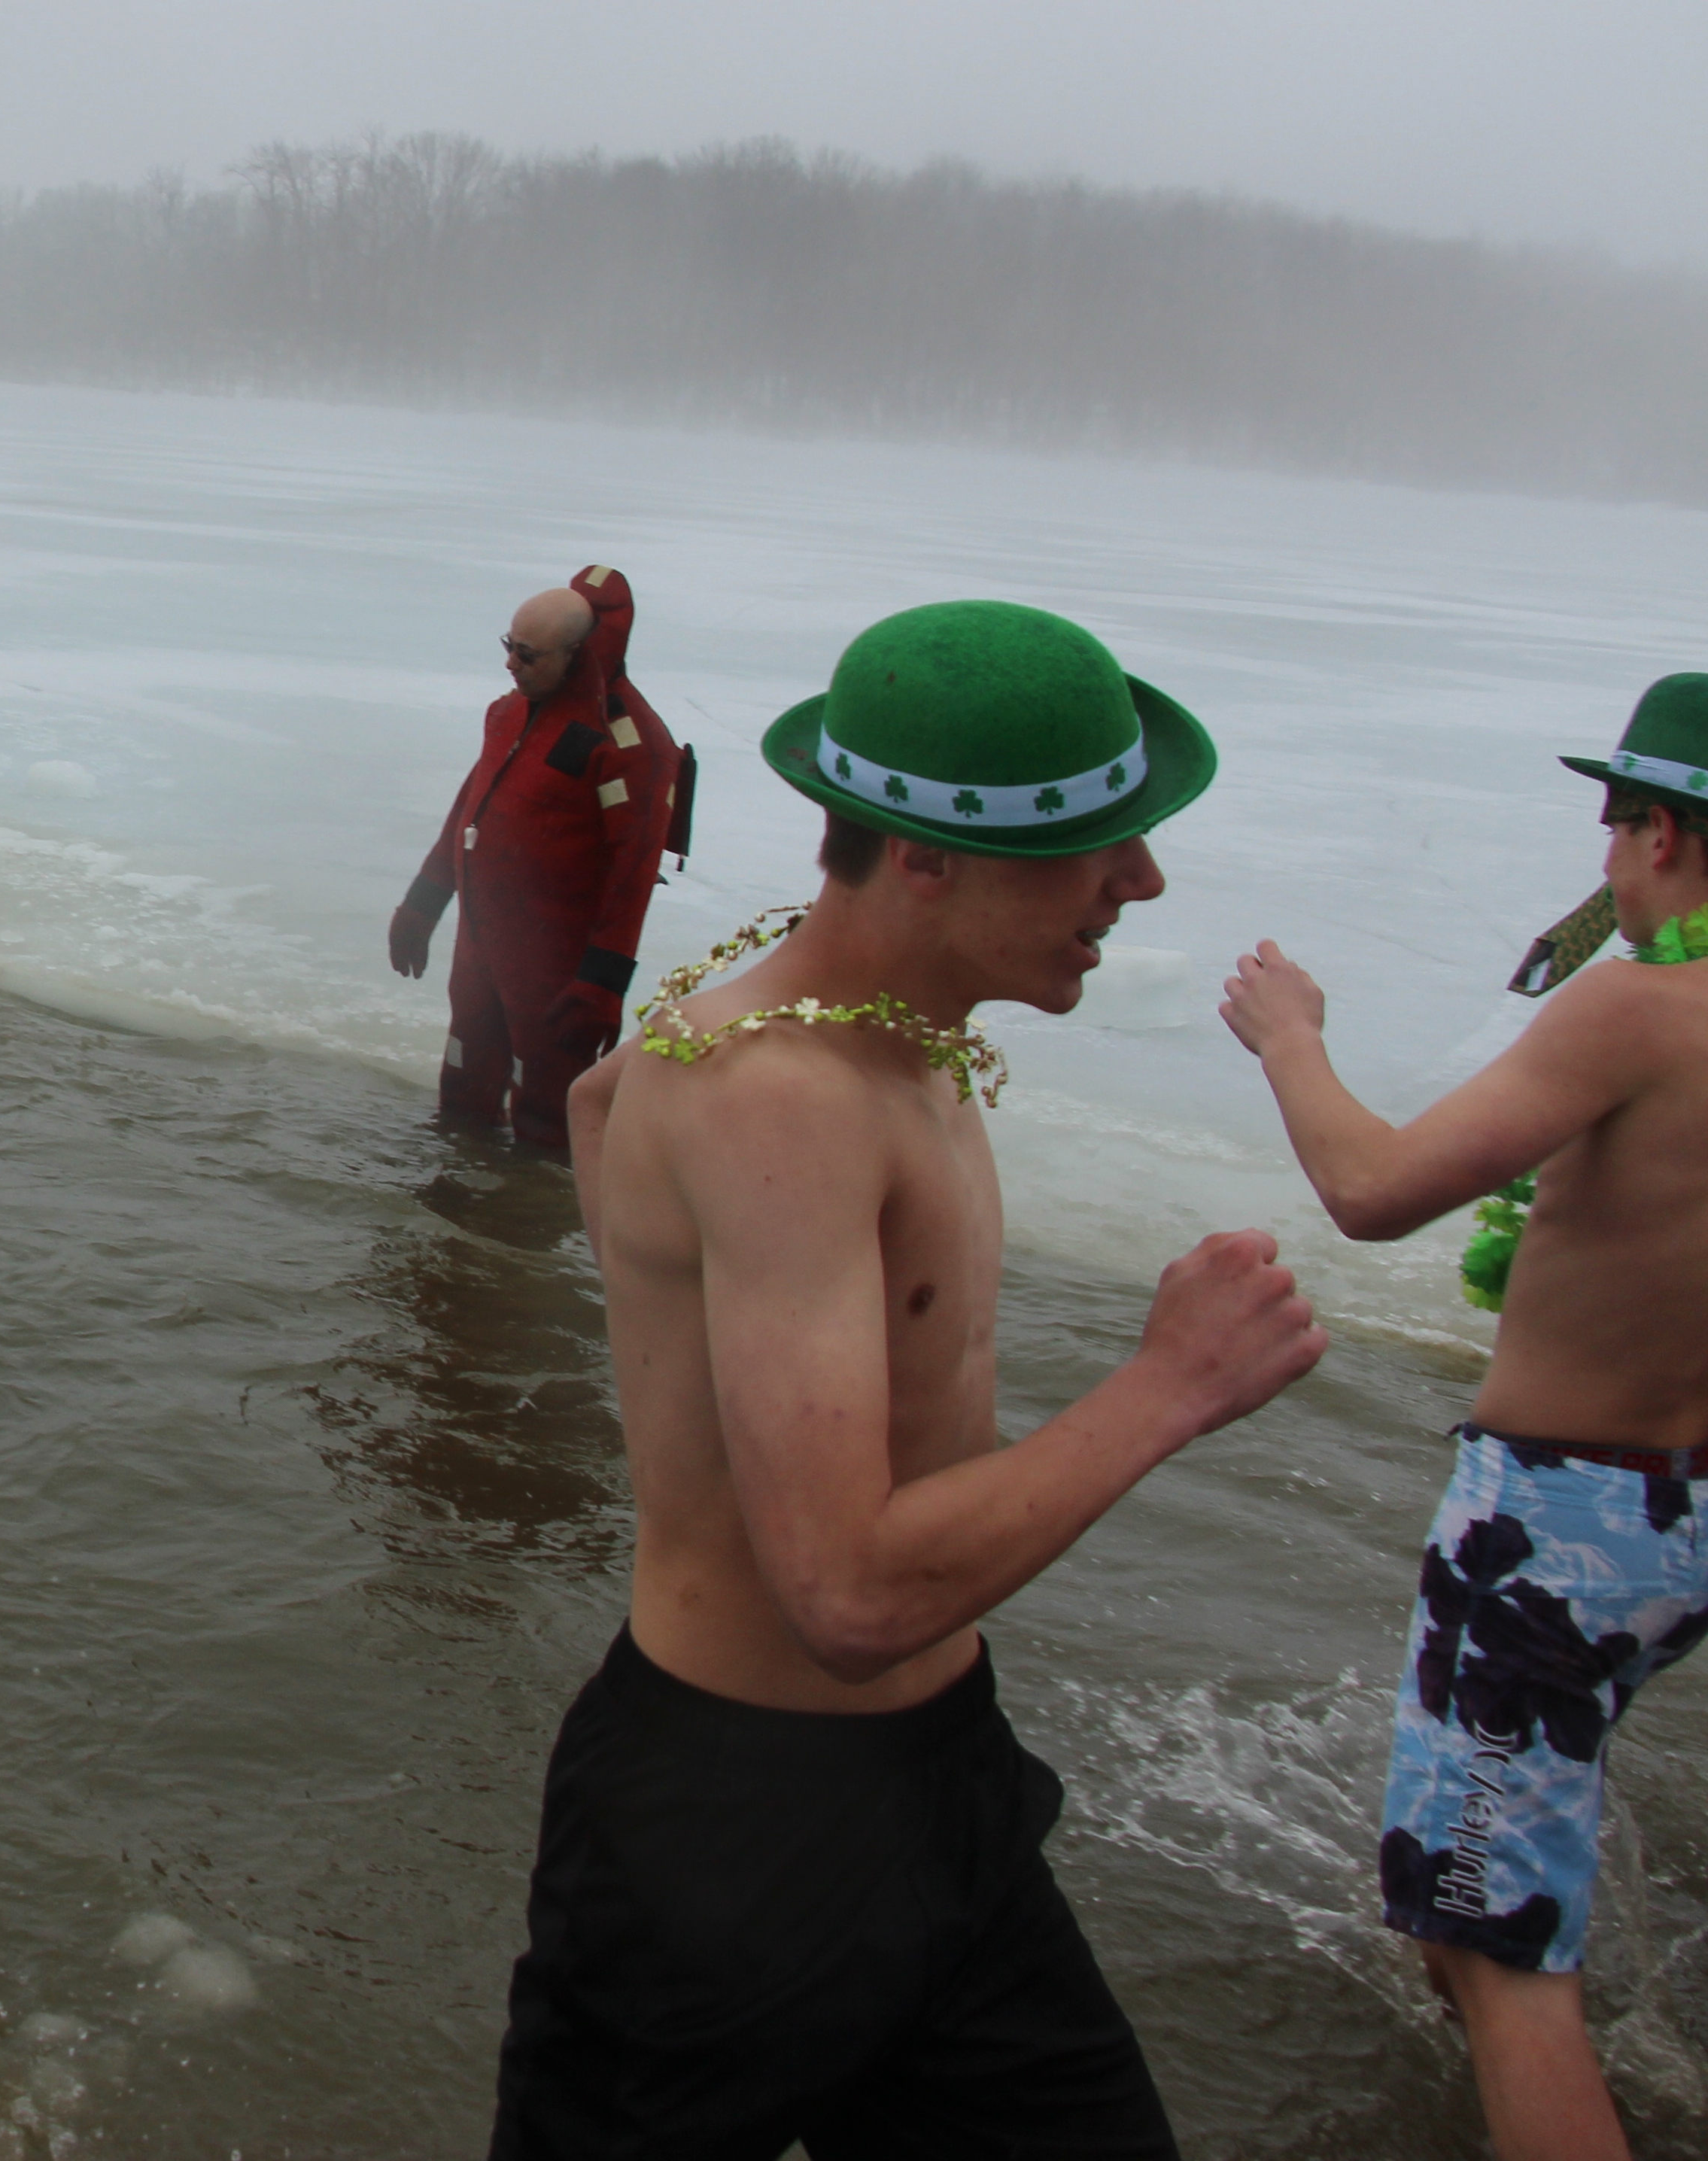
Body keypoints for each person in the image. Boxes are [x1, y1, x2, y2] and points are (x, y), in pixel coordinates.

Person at [493, 597, 1325, 2158]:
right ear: (925, 857)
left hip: (943, 1790)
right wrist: (1169, 1385)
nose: (1141, 880)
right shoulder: (783, 1096)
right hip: (723, 1838)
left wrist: (676, 1327)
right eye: (1088, 844)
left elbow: (603, 1101)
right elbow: (851, 1598)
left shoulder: (885, 1034)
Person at [1220, 672, 1708, 2161]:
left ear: (1660, 834)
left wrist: (1288, 1037)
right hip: (1685, 1522)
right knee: (1470, 1902)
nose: (1606, 858)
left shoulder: (1639, 1009)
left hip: (1558, 1535)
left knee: (1497, 1957)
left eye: (1614, 825)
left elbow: (1374, 1192)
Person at [391, 563, 682, 1151]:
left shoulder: (629, 746)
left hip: (555, 970)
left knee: (548, 1119)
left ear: (578, 654)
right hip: (483, 947)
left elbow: (633, 872)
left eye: (527, 655)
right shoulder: (512, 713)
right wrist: (423, 903)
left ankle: (540, 1205)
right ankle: (455, 1196)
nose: (510, 665)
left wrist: (604, 982)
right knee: (463, 1089)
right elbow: (469, 809)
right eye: (509, 647)